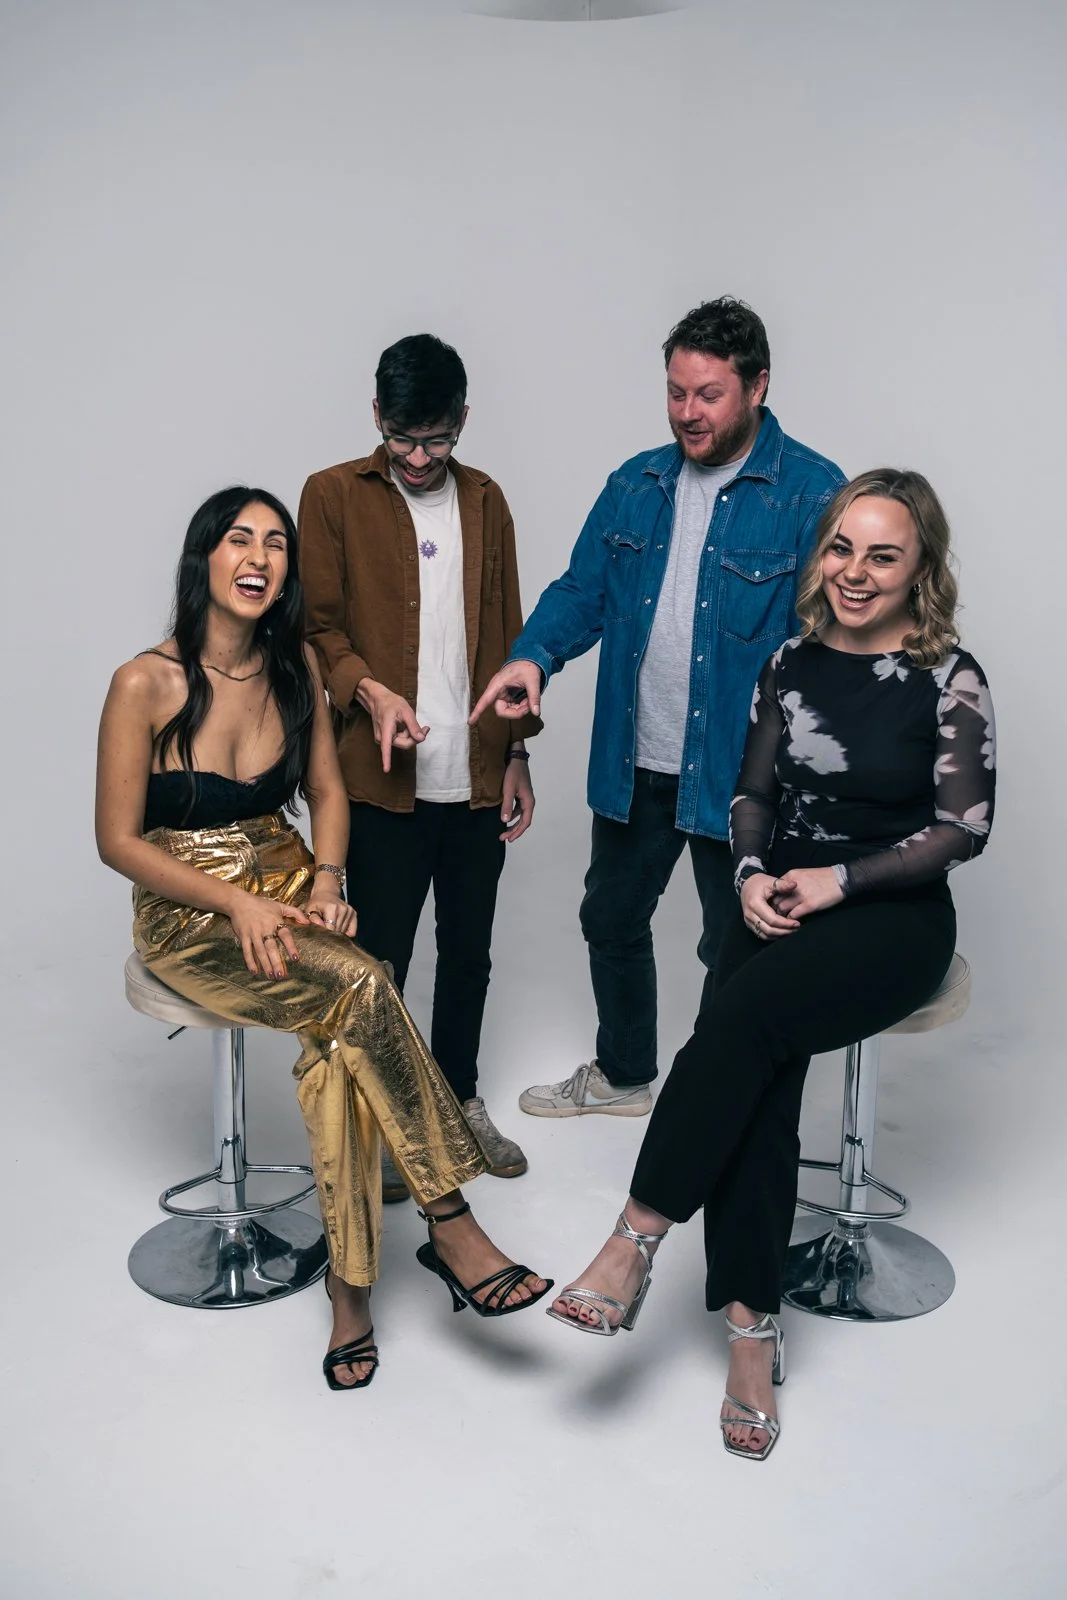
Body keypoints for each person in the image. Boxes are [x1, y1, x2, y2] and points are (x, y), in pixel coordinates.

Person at [541, 468, 995, 1459]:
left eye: (883, 554)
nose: (854, 571)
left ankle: (633, 1239)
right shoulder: (787, 662)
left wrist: (838, 883)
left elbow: (961, 826)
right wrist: (747, 873)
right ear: (818, 551)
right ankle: (752, 1329)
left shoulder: (945, 675)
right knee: (753, 1077)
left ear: (919, 569)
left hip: (889, 915)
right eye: (840, 547)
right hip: (778, 897)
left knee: (735, 1029)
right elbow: (747, 794)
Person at [95, 486, 551, 1392]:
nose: (259, 557)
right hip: (190, 906)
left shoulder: (297, 663)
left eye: (275, 544)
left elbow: (330, 794)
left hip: (289, 871)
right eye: (239, 540)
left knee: (344, 1036)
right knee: (364, 986)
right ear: (205, 558)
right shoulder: (143, 681)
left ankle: (352, 1290)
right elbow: (117, 842)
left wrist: (329, 884)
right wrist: (237, 907)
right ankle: (449, 1224)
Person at [470, 298, 846, 1117]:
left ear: (757, 387)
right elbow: (581, 590)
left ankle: (714, 1100)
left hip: (740, 774)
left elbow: (827, 653)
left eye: (707, 394)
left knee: (732, 945)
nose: (686, 412)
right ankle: (625, 1074)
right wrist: (533, 658)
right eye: (675, 392)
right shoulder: (636, 483)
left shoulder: (813, 495)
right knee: (609, 914)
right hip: (638, 756)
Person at [299, 334, 539, 1197]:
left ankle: (460, 1100)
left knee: (467, 953)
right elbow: (316, 627)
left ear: (462, 422)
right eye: (402, 437)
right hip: (378, 779)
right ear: (376, 418)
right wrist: (369, 694)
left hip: (472, 776)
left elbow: (511, 632)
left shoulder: (487, 500)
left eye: (436, 439)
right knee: (383, 958)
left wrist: (515, 757)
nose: (417, 457)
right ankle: (397, 1118)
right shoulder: (331, 496)